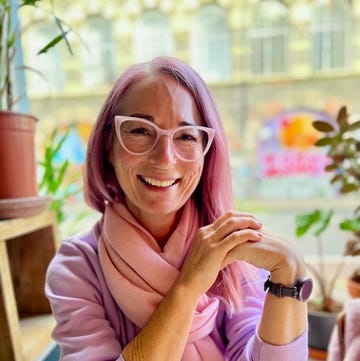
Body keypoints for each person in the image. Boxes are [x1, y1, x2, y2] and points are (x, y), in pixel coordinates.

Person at [45, 56, 311, 361]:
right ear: (109, 145)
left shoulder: (232, 250)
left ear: (206, 153)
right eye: (140, 131)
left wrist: (289, 272)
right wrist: (188, 285)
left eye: (186, 136)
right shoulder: (77, 266)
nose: (164, 159)